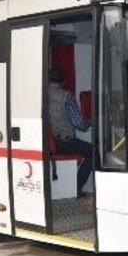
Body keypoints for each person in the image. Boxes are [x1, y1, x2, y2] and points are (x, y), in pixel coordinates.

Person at [48, 68, 92, 196]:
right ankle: (76, 188)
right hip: (64, 142)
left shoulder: (42, 95)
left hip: (50, 143)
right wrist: (89, 123)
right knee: (93, 152)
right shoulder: (67, 96)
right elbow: (79, 123)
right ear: (63, 81)